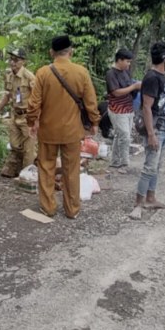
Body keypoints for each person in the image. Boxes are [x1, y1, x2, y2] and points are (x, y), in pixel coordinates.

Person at [26, 35, 101, 219]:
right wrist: (94, 122)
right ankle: (72, 209)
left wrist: (32, 122)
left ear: (52, 52)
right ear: (71, 51)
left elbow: (34, 103)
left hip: (48, 130)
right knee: (71, 170)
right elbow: (91, 101)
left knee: (46, 168)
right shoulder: (81, 72)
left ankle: (49, 207)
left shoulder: (43, 73)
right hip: (72, 132)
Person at [129, 42, 165, 220]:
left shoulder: (164, 75)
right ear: (164, 60)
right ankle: (138, 203)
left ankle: (151, 198)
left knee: (157, 167)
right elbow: (147, 108)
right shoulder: (151, 78)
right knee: (149, 166)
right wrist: (151, 134)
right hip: (156, 129)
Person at [0, 48, 37, 178]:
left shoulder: (29, 77)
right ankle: (21, 166)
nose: (12, 62)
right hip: (15, 115)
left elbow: (38, 97)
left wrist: (36, 118)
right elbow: (7, 96)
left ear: (23, 62)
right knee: (15, 144)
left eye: (16, 60)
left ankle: (27, 176)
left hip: (27, 116)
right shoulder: (9, 76)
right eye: (11, 59)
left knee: (29, 148)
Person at [105, 49, 141, 173]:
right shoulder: (111, 74)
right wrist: (133, 87)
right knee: (125, 136)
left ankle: (115, 161)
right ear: (119, 60)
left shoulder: (126, 72)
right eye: (127, 61)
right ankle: (124, 163)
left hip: (128, 108)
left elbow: (130, 86)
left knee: (119, 135)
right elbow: (116, 92)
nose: (128, 64)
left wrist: (135, 86)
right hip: (117, 109)